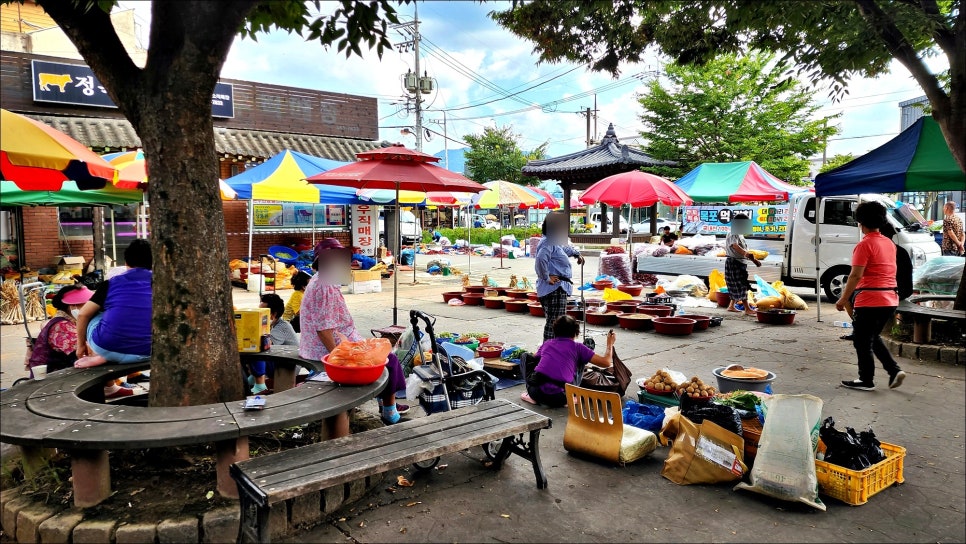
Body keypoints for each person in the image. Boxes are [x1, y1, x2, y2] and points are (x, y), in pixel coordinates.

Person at [299, 238, 408, 429]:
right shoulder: (325, 285)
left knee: (385, 355)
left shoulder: (321, 279)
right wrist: (335, 360)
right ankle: (390, 411)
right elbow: (324, 330)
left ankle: (386, 404)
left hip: (328, 343)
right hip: (329, 350)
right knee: (389, 361)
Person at [835, 201, 906, 391]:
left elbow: (856, 275)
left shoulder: (864, 245)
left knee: (861, 340)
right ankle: (893, 370)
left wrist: (843, 299)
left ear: (860, 222)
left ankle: (866, 380)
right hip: (890, 298)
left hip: (870, 299)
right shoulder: (888, 243)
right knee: (871, 337)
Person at [75, 239, 152, 368]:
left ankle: (101, 355)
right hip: (147, 351)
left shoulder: (111, 283)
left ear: (126, 262)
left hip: (106, 348)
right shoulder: (162, 284)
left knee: (94, 313)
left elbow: (83, 315)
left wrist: (80, 346)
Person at [520, 316, 616, 407]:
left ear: (555, 330)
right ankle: (571, 398)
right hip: (561, 398)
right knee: (581, 360)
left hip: (536, 393)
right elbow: (606, 362)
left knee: (525, 357)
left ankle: (530, 397)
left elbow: (534, 358)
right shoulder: (578, 347)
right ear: (576, 332)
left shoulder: (547, 343)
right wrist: (610, 343)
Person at [535, 211, 585, 342]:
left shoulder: (553, 241)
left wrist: (577, 254)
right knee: (555, 324)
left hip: (556, 287)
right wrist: (546, 277)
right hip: (554, 289)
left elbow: (565, 249)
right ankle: (548, 354)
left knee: (555, 323)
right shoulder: (548, 243)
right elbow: (540, 260)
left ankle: (552, 352)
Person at [26, 284, 93, 377]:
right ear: (73, 306)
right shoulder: (62, 326)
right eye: (88, 305)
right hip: (53, 378)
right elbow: (87, 351)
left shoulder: (70, 321)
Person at [246, 293, 299, 394]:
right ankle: (254, 376)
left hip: (288, 365)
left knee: (257, 348)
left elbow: (265, 344)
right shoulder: (272, 325)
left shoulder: (282, 326)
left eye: (262, 312)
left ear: (273, 314)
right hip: (279, 359)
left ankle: (260, 384)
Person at [724, 214, 760, 316]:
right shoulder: (733, 232)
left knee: (737, 285)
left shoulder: (739, 233)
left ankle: (731, 306)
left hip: (740, 262)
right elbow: (735, 246)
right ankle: (747, 308)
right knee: (741, 285)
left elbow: (743, 249)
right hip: (734, 262)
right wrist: (747, 254)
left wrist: (754, 259)